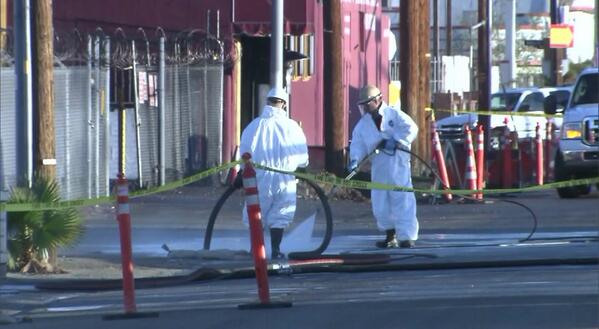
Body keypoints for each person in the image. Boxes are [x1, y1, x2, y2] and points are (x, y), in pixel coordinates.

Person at [239, 87, 309, 259]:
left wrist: (242, 174)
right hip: (285, 178)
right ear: (284, 104)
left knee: (256, 212)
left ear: (267, 102)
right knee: (281, 212)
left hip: (260, 177)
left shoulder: (254, 126)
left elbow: (245, 153)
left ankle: (255, 250)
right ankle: (276, 250)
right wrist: (300, 166)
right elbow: (302, 157)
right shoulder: (293, 127)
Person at [348, 85, 419, 248]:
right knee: (380, 202)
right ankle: (390, 235)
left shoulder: (394, 114)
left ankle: (406, 237)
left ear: (378, 100)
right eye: (363, 105)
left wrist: (397, 140)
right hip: (378, 166)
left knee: (402, 199)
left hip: (398, 164)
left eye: (368, 104)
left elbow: (412, 128)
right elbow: (358, 144)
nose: (365, 108)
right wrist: (354, 160)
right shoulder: (363, 124)